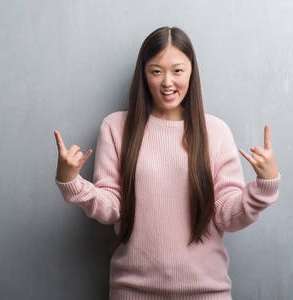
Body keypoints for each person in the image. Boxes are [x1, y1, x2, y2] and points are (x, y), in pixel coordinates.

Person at [53, 26, 281, 300]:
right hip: (132, 291)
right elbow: (112, 208)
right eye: (156, 71)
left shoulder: (216, 131)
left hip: (207, 292)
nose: (167, 82)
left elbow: (226, 215)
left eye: (178, 70)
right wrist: (72, 182)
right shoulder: (116, 127)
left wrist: (264, 187)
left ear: (192, 72)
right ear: (144, 74)